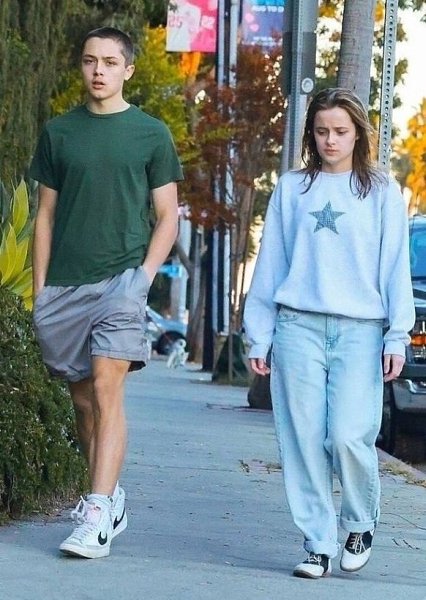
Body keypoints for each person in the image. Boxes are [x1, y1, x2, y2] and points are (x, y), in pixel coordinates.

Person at [243, 88, 415, 579]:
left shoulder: (381, 191)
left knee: (347, 436)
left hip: (361, 330)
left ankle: (359, 522)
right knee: (300, 439)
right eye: (321, 132)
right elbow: (271, 263)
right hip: (297, 325)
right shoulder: (292, 189)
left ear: (358, 133)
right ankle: (317, 543)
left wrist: (397, 335)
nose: (330, 141)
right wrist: (259, 334)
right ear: (311, 134)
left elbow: (395, 267)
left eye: (340, 131)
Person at [30, 26, 183, 559]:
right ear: (82, 66)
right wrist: (40, 291)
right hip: (64, 287)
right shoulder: (59, 133)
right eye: (90, 60)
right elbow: (44, 216)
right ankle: (111, 497)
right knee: (82, 402)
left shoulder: (150, 134)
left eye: (110, 62)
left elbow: (168, 216)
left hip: (122, 283)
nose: (99, 70)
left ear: (128, 70)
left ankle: (95, 514)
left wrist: (142, 279)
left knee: (105, 387)